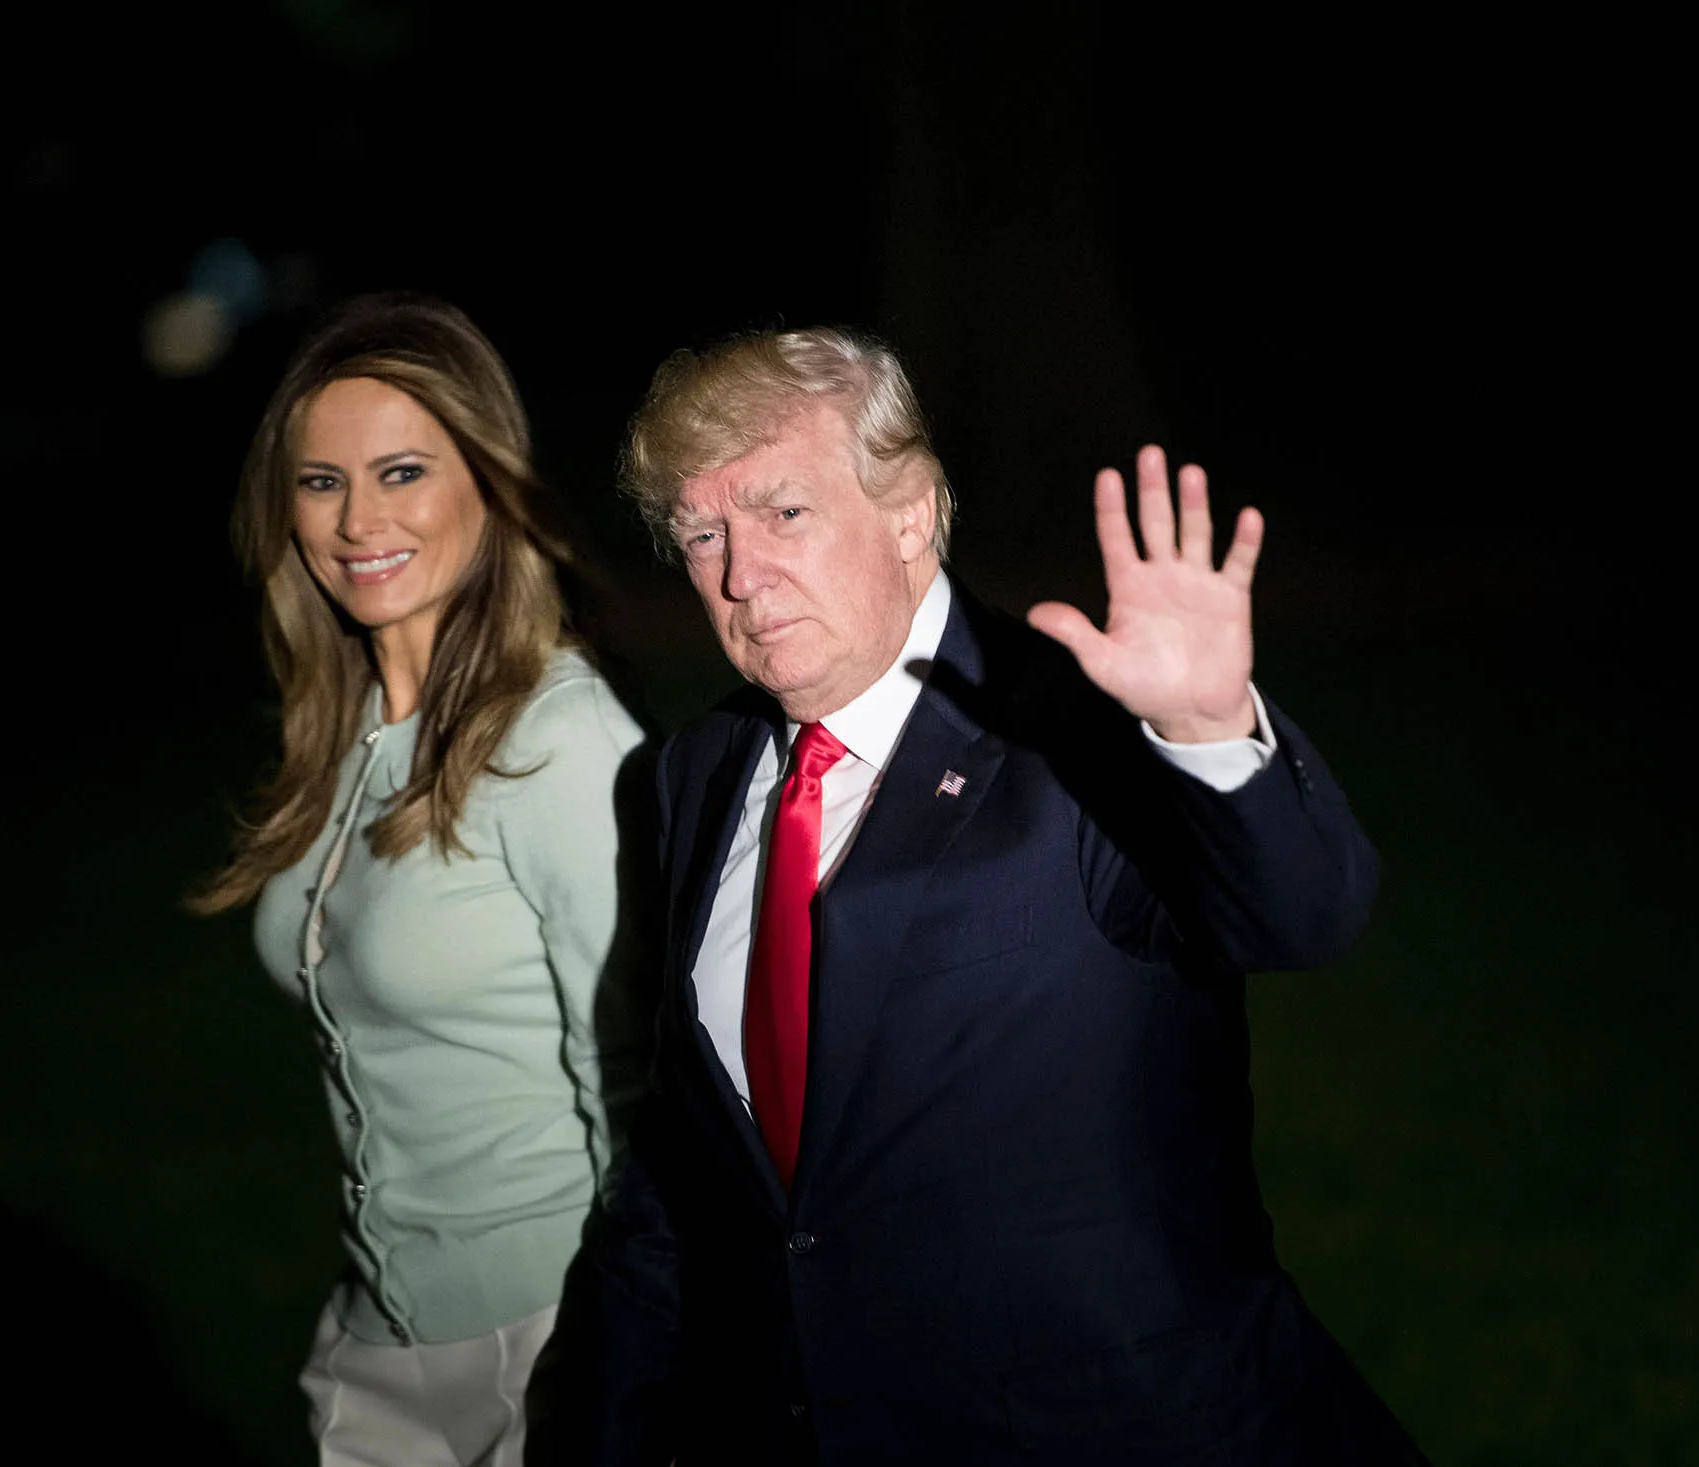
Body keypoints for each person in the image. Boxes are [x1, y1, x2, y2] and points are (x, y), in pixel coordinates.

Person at [559, 327, 1427, 1463]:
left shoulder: (1079, 729)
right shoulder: (699, 770)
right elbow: (696, 1161)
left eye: (784, 513)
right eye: (702, 534)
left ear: (910, 515)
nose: (739, 575)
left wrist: (1210, 729)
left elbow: (1303, 915)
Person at [191, 294, 650, 1467]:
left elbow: (648, 1091)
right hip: (375, 1351)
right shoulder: (340, 731)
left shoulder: (561, 742)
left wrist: (636, 1366)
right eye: (322, 482)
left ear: (488, 484)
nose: (359, 521)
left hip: (552, 1342)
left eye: (402, 472)